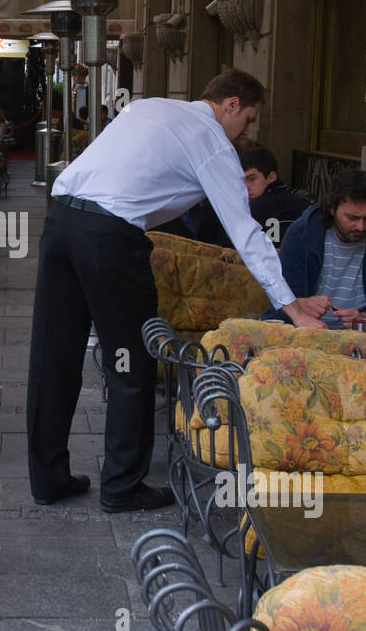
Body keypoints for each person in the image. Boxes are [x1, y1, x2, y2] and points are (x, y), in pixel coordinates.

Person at [28, 69, 325, 513]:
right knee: (132, 362)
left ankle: (48, 478)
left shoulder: (149, 107)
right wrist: (291, 307)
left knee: (54, 355)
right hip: (109, 238)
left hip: (62, 220)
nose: (247, 131)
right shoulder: (212, 143)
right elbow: (245, 231)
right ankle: (123, 486)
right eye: (248, 118)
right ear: (229, 105)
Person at [264, 168, 366, 332]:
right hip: (303, 331)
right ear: (332, 208)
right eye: (352, 218)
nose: (360, 227)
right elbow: (279, 301)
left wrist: (365, 318)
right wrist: (299, 305)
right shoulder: (301, 234)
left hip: (362, 336)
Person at [184, 146, 314, 247]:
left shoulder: (259, 206)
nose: (246, 186)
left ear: (271, 178)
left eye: (252, 179)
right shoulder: (297, 201)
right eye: (242, 180)